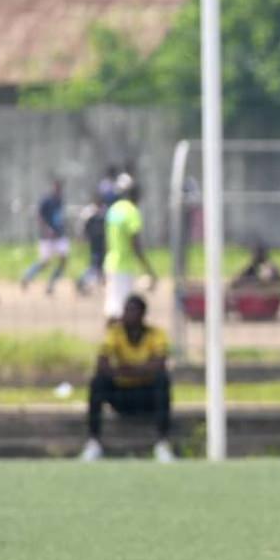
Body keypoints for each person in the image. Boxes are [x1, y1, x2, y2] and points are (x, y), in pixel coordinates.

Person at [80, 294, 175, 463]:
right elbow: (101, 363)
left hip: (146, 396)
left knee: (162, 380)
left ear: (142, 314)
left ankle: (162, 443)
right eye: (126, 310)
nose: (127, 314)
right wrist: (139, 370)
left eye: (132, 310)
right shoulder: (115, 333)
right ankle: (93, 442)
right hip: (122, 395)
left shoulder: (156, 334)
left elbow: (159, 365)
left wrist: (127, 369)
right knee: (98, 382)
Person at [103, 175, 157, 321]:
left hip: (111, 262)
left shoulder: (113, 210)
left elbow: (108, 240)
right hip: (124, 265)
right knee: (122, 311)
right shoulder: (132, 212)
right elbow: (135, 244)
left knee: (112, 307)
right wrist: (148, 269)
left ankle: (111, 340)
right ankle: (115, 341)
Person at [21, 178, 69, 294]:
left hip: (59, 236)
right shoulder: (46, 200)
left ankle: (51, 285)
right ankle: (27, 276)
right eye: (56, 188)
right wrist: (46, 229)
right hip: (47, 237)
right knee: (45, 262)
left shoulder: (60, 200)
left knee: (64, 260)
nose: (58, 190)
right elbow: (39, 216)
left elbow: (59, 218)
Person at [75, 193, 108, 295]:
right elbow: (82, 226)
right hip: (93, 241)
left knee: (101, 264)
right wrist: (82, 237)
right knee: (94, 263)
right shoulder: (89, 212)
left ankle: (98, 285)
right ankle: (82, 280)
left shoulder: (104, 210)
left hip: (102, 241)